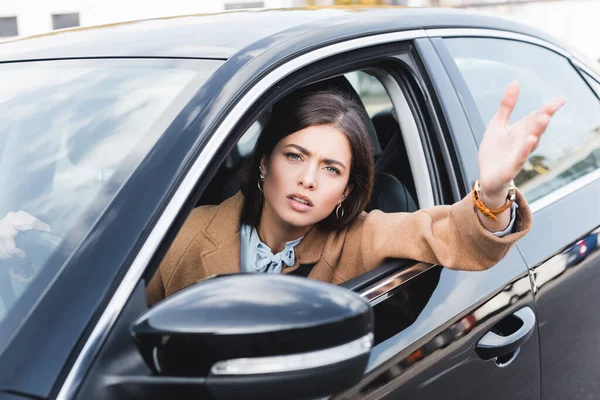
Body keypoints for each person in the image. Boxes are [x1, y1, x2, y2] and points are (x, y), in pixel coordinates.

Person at [0, 81, 566, 308]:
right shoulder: (186, 231)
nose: (308, 180)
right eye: (295, 156)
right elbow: (108, 303)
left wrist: (490, 193)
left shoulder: (359, 236)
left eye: (330, 168)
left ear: (347, 189)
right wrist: (31, 248)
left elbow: (444, 232)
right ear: (263, 162)